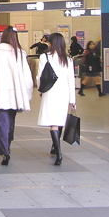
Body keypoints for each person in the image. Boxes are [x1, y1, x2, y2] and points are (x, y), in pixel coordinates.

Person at [0, 26, 33, 166]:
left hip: (0, 94)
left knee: (2, 123)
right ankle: (6, 147)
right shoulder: (20, 52)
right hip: (15, 96)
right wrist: (27, 95)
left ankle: (5, 152)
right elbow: (27, 76)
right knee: (10, 123)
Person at [37, 32, 76, 166]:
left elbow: (40, 76)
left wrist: (40, 90)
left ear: (51, 43)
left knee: (53, 122)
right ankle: (55, 147)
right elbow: (71, 81)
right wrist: (72, 100)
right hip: (64, 93)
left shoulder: (45, 56)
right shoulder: (68, 59)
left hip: (50, 92)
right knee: (59, 120)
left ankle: (58, 154)